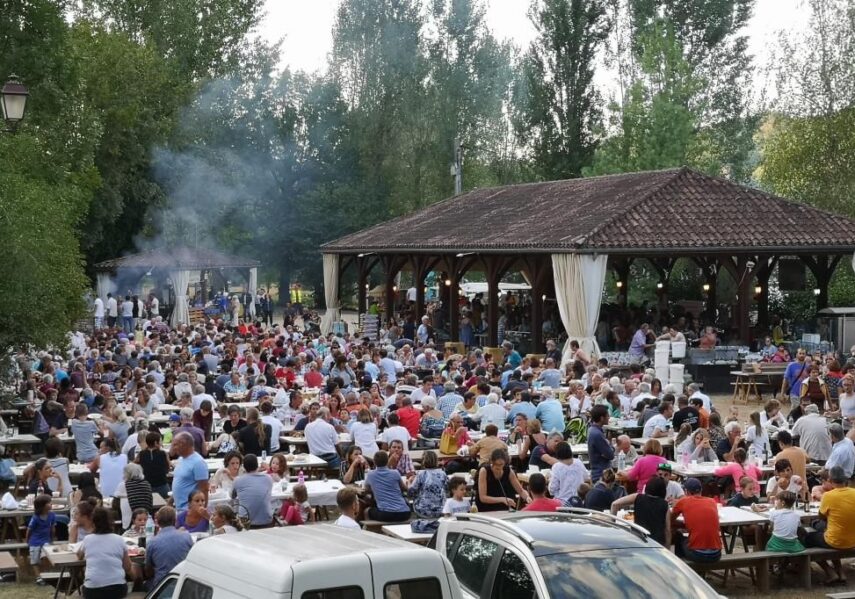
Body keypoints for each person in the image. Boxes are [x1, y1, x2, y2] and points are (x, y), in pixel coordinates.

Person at [804, 466, 855, 585]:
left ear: (830, 480)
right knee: (827, 529)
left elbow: (821, 516)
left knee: (806, 538)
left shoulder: (829, 496)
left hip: (835, 540)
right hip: (853, 539)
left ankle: (829, 571)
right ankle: (840, 571)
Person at [77, 506, 132, 598]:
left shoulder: (87, 539)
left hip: (93, 588)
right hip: (117, 587)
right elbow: (127, 567)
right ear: (111, 522)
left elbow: (79, 556)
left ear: (93, 522)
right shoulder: (119, 539)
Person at [670, 478, 721, 563]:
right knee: (691, 540)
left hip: (698, 554)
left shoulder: (683, 501)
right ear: (701, 490)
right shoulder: (711, 501)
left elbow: (670, 520)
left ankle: (682, 567)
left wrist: (683, 523)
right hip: (716, 554)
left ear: (686, 492)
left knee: (678, 536)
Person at [610, 476, 670, 547]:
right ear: (663, 490)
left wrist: (613, 525)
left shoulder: (637, 497)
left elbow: (614, 504)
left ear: (647, 487)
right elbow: (667, 530)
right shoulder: (665, 505)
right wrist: (667, 549)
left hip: (638, 540)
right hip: (656, 543)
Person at [145, 507, 194, 590]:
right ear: (175, 520)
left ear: (158, 522)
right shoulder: (186, 536)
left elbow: (148, 571)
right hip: (184, 582)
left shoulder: (152, 542)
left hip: (163, 585)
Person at [363, 450, 411, 522]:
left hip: (386, 514)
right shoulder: (395, 472)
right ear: (387, 461)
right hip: (404, 513)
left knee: (366, 511)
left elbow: (366, 490)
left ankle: (369, 532)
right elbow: (404, 489)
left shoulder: (370, 474)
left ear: (374, 462)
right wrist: (409, 483)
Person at [232, 453, 274, 528]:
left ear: (243, 467)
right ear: (257, 465)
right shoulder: (268, 478)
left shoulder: (238, 480)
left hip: (245, 521)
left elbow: (232, 496)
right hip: (266, 520)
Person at [171, 432, 209, 511]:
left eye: (175, 445)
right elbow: (180, 482)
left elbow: (204, 489)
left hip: (190, 511)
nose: (173, 448)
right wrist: (170, 502)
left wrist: (201, 511)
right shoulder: (181, 459)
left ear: (184, 445)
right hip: (179, 509)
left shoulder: (198, 462)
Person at [407, 450, 447, 518]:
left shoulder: (421, 474)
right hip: (440, 509)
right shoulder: (442, 474)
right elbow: (447, 488)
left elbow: (411, 491)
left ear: (423, 461)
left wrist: (409, 482)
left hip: (423, 510)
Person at [27, 494, 56, 585]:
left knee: (46, 556)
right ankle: (38, 577)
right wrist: (28, 540)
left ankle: (45, 574)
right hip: (35, 541)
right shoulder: (35, 518)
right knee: (35, 560)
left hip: (46, 541)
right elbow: (29, 529)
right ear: (42, 506)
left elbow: (52, 528)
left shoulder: (52, 515)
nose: (51, 504)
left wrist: (52, 538)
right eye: (49, 503)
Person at [548, 442, 589, 506]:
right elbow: (586, 477)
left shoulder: (557, 467)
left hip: (562, 503)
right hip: (579, 501)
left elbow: (552, 490)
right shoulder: (578, 462)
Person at [113, 463, 153, 529]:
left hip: (130, 521)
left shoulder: (123, 485)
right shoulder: (146, 484)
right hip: (146, 520)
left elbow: (115, 503)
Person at [138, 431, 170, 499]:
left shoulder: (141, 454)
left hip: (147, 487)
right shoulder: (163, 453)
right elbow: (168, 468)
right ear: (156, 443)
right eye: (160, 441)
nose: (161, 443)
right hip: (162, 486)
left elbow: (133, 464)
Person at [587, 405, 614, 482]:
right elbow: (610, 454)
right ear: (602, 418)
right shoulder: (597, 434)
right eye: (607, 416)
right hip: (601, 475)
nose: (609, 418)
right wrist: (611, 446)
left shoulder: (592, 430)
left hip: (598, 472)